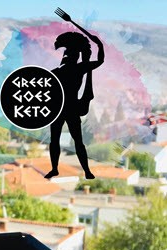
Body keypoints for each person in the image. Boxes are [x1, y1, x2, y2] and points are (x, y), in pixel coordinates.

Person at [45, 28, 104, 180]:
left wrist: (98, 46)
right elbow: (99, 61)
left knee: (72, 141)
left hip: (65, 108)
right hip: (63, 108)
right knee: (62, 141)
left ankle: (84, 170)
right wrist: (99, 45)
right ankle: (60, 169)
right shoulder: (71, 69)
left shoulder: (68, 70)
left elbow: (99, 61)